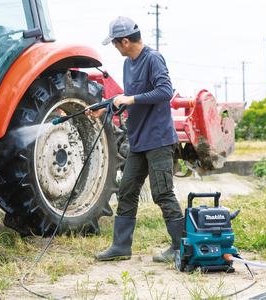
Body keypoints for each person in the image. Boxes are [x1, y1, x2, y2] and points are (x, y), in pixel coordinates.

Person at [86, 16, 184, 263]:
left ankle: (180, 247)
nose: (115, 48)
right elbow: (126, 96)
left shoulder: (153, 59)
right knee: (127, 190)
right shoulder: (128, 64)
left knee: (162, 193)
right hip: (138, 140)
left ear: (125, 41)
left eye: (115, 44)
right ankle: (121, 246)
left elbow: (165, 91)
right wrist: (105, 107)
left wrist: (130, 99)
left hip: (159, 139)